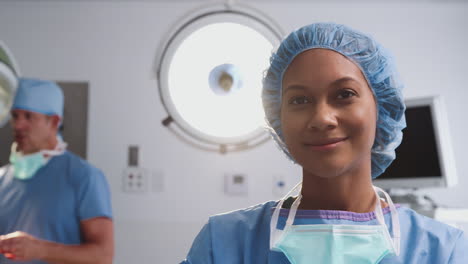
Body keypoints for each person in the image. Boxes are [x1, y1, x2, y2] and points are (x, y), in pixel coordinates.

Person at [182, 23, 468, 263]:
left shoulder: (442, 250)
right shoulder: (223, 244)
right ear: (277, 116)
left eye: (344, 94)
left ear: (381, 106)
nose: (322, 118)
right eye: (299, 100)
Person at [0, 78, 114, 264]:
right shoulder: (3, 179)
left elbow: (103, 256)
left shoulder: (83, 177)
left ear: (53, 122)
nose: (18, 125)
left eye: (28, 116)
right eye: (15, 116)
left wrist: (40, 250)